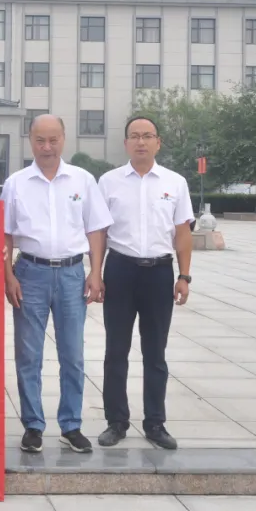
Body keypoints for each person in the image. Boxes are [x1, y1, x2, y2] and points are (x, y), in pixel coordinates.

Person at [2, 115, 113, 454]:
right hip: (29, 274)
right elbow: (4, 234)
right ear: (30, 140)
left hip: (71, 274)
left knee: (72, 354)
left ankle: (71, 425)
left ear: (63, 139)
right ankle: (33, 426)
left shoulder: (82, 180)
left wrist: (96, 272)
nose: (47, 147)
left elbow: (96, 229)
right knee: (28, 355)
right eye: (40, 140)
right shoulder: (16, 183)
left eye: (53, 140)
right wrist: (8, 275)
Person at [96, 116, 194, 451]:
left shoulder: (175, 182)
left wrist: (184, 276)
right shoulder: (108, 182)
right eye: (135, 136)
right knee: (116, 350)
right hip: (120, 270)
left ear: (158, 142)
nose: (141, 142)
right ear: (125, 143)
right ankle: (116, 421)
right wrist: (96, 273)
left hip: (158, 273)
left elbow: (182, 233)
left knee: (155, 352)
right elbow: (99, 233)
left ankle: (155, 423)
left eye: (147, 136)